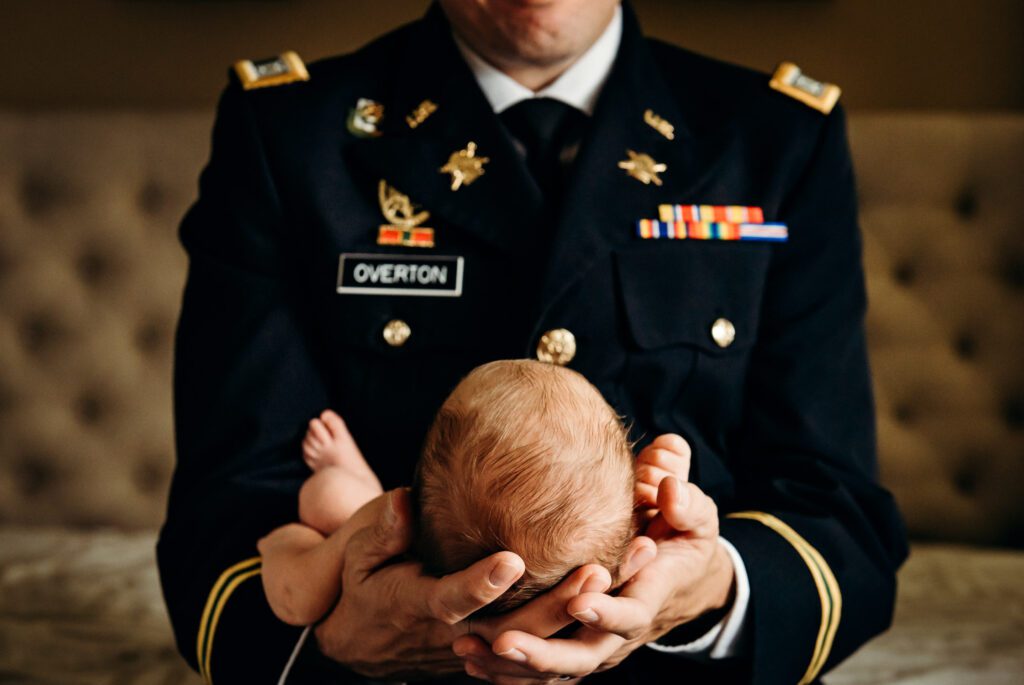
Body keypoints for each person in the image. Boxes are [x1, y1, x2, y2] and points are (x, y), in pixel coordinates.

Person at [158, 0, 908, 683]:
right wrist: (339, 636)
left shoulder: (774, 136)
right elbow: (228, 505)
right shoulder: (291, 134)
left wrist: (708, 591)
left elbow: (834, 511)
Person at [258, 360, 693, 627]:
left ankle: (359, 486)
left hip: (381, 545)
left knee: (328, 496)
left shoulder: (393, 531)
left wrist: (283, 543)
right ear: (631, 515)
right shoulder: (603, 586)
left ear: (416, 500)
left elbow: (294, 602)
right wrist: (664, 502)